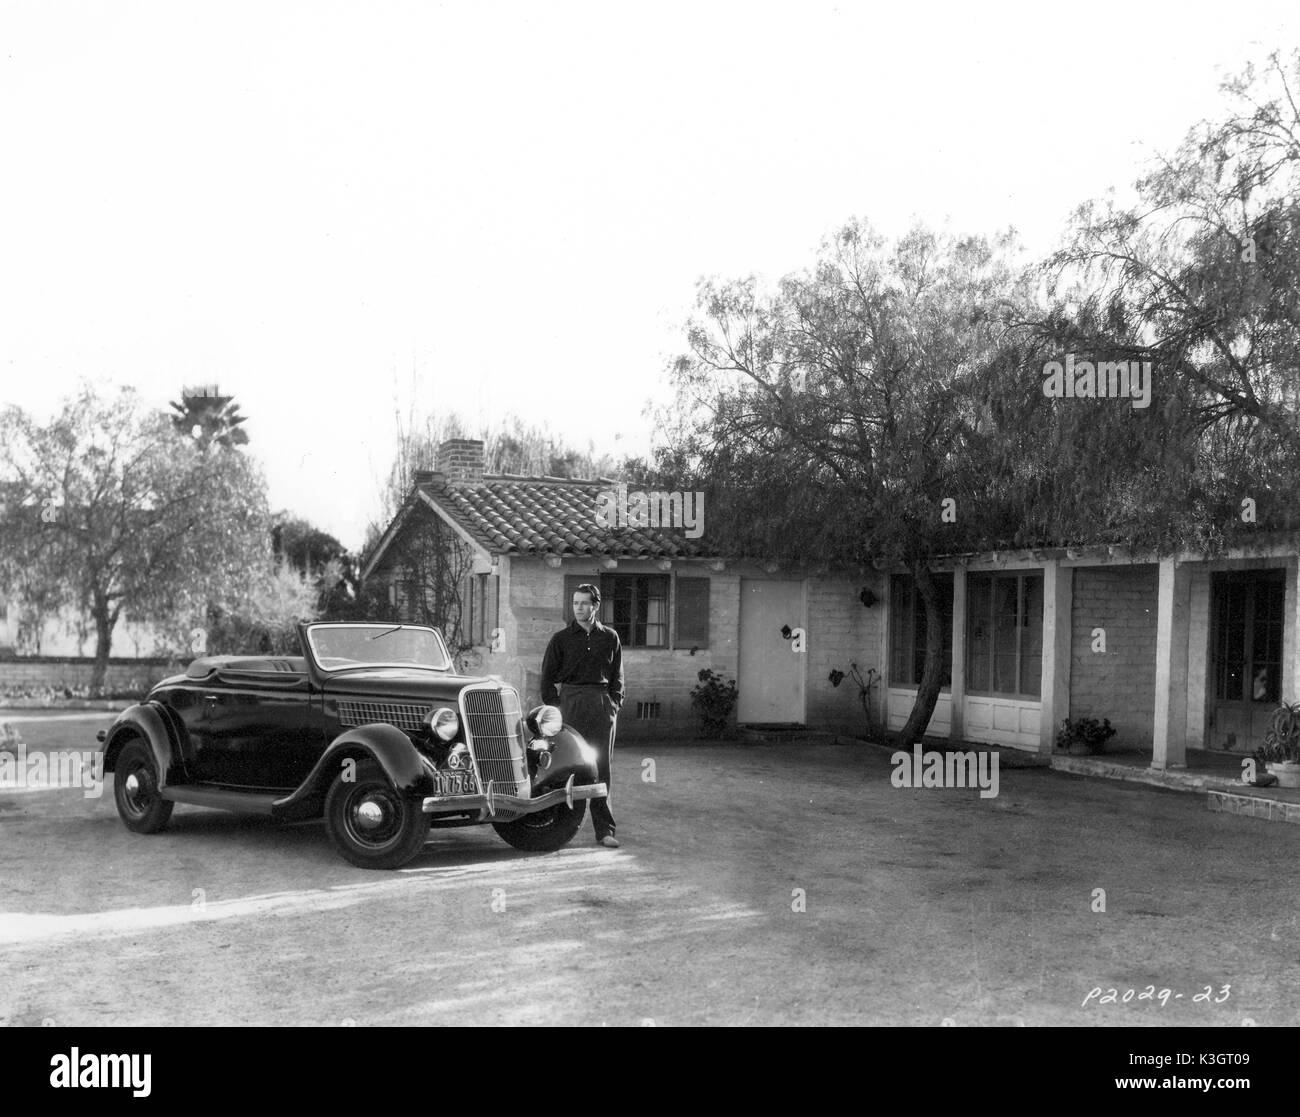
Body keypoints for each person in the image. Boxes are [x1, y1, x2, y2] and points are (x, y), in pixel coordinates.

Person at [540, 583, 623, 847]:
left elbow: (617, 678)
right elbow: (546, 681)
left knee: (601, 768)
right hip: (571, 705)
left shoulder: (610, 637)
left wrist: (613, 705)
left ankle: (605, 831)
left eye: (584, 603)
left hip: (600, 705)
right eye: (575, 603)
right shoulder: (561, 639)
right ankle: (560, 829)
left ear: (596, 606)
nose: (579, 608)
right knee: (568, 764)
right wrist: (559, 709)